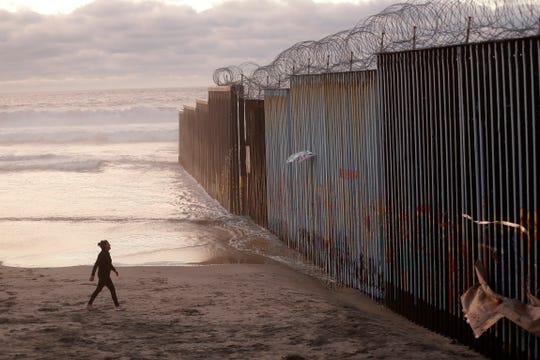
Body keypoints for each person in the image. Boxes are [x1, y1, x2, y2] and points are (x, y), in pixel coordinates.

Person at [87, 240, 124, 311]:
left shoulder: (107, 253)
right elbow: (96, 264)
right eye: (108, 244)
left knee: (98, 289)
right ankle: (117, 306)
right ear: (105, 246)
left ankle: (89, 304)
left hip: (105, 275)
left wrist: (114, 270)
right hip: (103, 275)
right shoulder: (102, 254)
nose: (110, 245)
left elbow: (109, 264)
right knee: (112, 289)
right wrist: (92, 275)